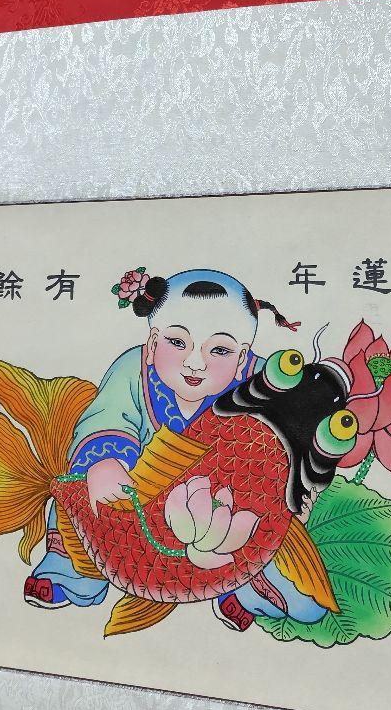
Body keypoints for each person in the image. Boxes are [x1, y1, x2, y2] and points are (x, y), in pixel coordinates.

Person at [25, 266, 328, 630]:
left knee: (298, 589)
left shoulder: (266, 384)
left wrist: (295, 496)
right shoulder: (131, 369)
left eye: (219, 350)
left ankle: (242, 591)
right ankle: (71, 572)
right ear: (153, 344)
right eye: (177, 343)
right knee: (80, 490)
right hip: (132, 495)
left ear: (242, 357)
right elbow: (107, 418)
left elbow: (292, 449)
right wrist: (104, 462)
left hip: (226, 512)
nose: (195, 363)